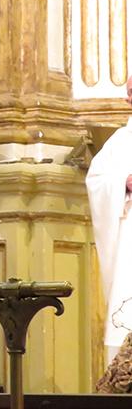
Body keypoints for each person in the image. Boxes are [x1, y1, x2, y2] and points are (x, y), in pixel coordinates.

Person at [86, 74, 132, 365]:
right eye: (128, 92)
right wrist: (123, 183)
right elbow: (97, 179)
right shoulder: (120, 142)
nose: (128, 99)